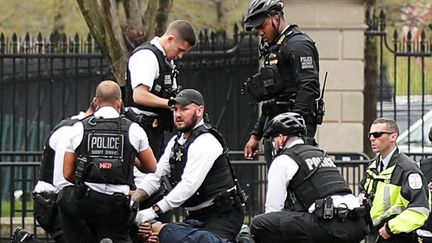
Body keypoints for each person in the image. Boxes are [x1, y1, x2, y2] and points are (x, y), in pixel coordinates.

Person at [133, 89, 245, 242]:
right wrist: (134, 200)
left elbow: (188, 185)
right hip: (195, 217)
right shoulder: (175, 142)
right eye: (175, 109)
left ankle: (242, 236)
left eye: (184, 109)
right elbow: (155, 176)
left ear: (200, 111)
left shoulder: (206, 141)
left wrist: (153, 212)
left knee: (168, 233)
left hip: (222, 217)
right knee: (154, 236)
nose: (178, 114)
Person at [61, 80, 157, 242]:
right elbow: (151, 167)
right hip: (118, 203)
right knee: (119, 234)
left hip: (87, 201)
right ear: (120, 103)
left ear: (96, 102)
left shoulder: (79, 128)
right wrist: (130, 157)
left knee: (63, 198)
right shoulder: (133, 129)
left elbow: (67, 173)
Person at [250, 112, 366, 243]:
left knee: (261, 224)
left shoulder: (283, 160)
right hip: (357, 223)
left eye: (274, 139)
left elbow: (273, 209)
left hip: (331, 227)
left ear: (281, 138)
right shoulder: (321, 154)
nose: (274, 143)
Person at [242, 0, 321, 165]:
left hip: (294, 131)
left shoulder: (298, 45)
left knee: (294, 182)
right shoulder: (274, 47)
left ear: (276, 18)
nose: (260, 32)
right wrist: (256, 135)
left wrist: (291, 129)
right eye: (256, 28)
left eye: (262, 25)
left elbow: (309, 87)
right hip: (276, 126)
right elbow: (272, 99)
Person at [11, 103, 96, 243]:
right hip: (51, 201)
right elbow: (62, 178)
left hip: (58, 199)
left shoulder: (78, 127)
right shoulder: (71, 130)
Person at [124, 20, 197, 160]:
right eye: (180, 50)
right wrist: (171, 104)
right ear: (170, 39)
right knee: (146, 177)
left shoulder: (166, 60)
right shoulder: (147, 57)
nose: (181, 56)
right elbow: (139, 95)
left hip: (156, 129)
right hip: (141, 129)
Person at [360, 118, 430, 242]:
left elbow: (420, 210)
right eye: (370, 135)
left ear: (393, 137)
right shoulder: (373, 167)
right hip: (374, 234)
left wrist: (390, 228)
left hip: (396, 236)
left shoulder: (408, 170)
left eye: (377, 134)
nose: (372, 138)